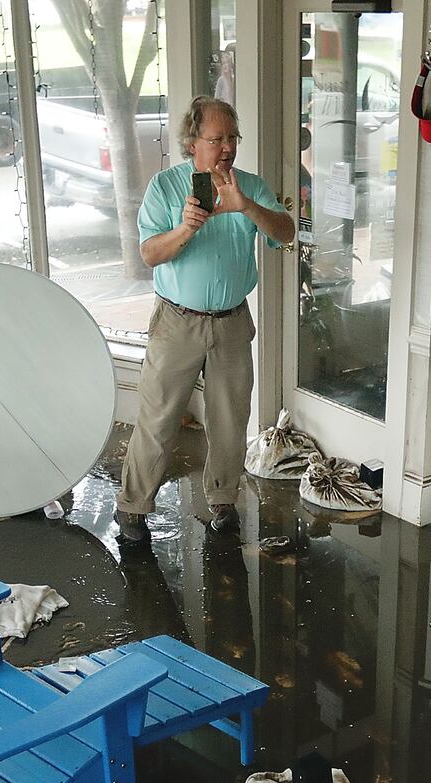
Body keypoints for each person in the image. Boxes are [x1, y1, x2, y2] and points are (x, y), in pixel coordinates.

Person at [116, 96, 296, 542]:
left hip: (232, 321)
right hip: (177, 322)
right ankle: (133, 508)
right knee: (158, 419)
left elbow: (287, 233)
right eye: (217, 139)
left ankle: (223, 502)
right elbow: (149, 254)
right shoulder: (165, 187)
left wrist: (246, 207)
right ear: (192, 143)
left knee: (231, 420)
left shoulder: (249, 186)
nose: (227, 147)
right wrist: (185, 229)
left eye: (232, 138)